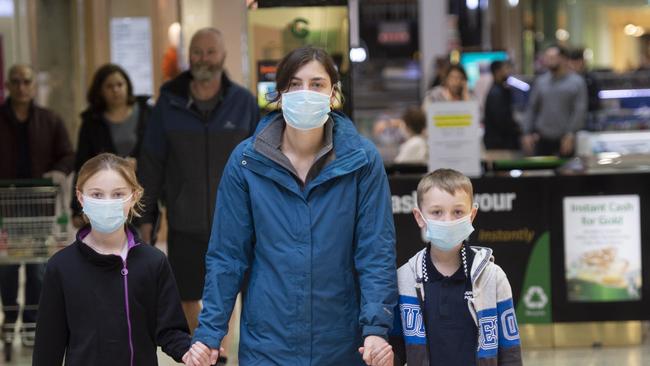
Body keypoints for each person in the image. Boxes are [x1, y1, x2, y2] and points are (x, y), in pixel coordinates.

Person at [188, 45, 398, 366]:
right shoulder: (247, 161)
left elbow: (375, 251)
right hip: (268, 342)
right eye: (295, 84)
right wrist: (209, 333)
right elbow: (227, 256)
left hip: (341, 342)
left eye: (317, 84)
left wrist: (375, 328)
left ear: (332, 94)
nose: (305, 92)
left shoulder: (362, 161)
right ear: (280, 94)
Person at [32, 153, 213, 365]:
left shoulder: (153, 263)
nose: (107, 203)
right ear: (81, 197)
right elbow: (48, 346)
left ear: (134, 196)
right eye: (97, 195)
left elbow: (170, 329)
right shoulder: (61, 267)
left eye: (118, 194)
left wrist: (188, 351)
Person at [137, 27, 259, 340]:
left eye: (210, 51)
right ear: (187, 56)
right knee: (187, 294)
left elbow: (261, 164)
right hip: (184, 220)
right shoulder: (168, 103)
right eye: (197, 52)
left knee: (229, 292)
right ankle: (202, 351)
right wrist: (146, 217)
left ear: (223, 56)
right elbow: (151, 165)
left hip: (236, 221)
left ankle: (217, 350)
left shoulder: (243, 103)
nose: (203, 58)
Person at [391, 169, 522, 366]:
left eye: (458, 212)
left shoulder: (493, 277)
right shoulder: (404, 279)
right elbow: (398, 351)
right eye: (437, 212)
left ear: (472, 215)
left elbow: (510, 352)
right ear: (419, 217)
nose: (448, 221)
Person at [0, 64, 74, 346]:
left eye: (26, 81)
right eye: (16, 81)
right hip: (4, 209)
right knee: (6, 267)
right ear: (7, 85)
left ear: (33, 86)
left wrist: (57, 171)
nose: (21, 87)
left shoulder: (49, 120)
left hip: (39, 206)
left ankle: (32, 323)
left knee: (37, 266)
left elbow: (67, 154)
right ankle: (9, 316)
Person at [71, 64, 153, 230]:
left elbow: (157, 152)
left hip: (142, 190)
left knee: (141, 248)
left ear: (127, 86)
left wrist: (139, 162)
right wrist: (76, 209)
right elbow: (82, 163)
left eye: (119, 85)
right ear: (100, 91)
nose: (116, 90)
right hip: (106, 197)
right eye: (109, 86)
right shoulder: (92, 122)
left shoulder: (146, 113)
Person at [521, 45, 587, 157]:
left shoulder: (577, 82)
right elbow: (532, 108)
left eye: (553, 57)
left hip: (564, 139)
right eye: (547, 57)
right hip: (542, 138)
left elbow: (579, 111)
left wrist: (570, 134)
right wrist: (527, 132)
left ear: (564, 59)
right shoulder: (541, 82)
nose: (548, 60)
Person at [483, 60, 521, 150]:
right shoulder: (496, 93)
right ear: (498, 72)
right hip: (500, 144)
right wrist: (517, 129)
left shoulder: (501, 89)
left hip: (500, 141)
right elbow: (502, 120)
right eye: (506, 68)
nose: (509, 71)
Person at [568, 48, 600, 113]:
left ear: (583, 62)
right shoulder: (567, 79)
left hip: (588, 114)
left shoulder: (590, 79)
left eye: (577, 63)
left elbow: (596, 101)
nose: (575, 66)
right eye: (573, 63)